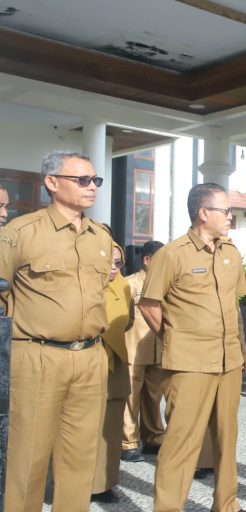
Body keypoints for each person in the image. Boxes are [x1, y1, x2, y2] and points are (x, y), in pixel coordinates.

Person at [0, 151, 112, 511]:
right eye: (83, 180)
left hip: (91, 358)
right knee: (28, 459)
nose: (92, 187)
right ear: (52, 182)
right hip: (38, 357)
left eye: (96, 180)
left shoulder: (100, 237)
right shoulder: (19, 233)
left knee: (80, 460)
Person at [138, 183, 246, 512]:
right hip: (190, 363)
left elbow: (234, 306)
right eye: (225, 211)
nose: (230, 217)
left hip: (228, 361)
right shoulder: (172, 254)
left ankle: (226, 505)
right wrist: (175, 340)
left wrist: (241, 353)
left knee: (226, 439)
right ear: (203, 213)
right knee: (181, 442)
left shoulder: (231, 253)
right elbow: (148, 305)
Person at [92, 242, 133, 503]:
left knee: (111, 426)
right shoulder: (84, 282)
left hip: (115, 360)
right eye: (109, 263)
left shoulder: (123, 287)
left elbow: (127, 321)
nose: (114, 269)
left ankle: (105, 483)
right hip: (88, 357)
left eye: (119, 263)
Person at [122, 240, 168, 462]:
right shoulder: (129, 284)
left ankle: (153, 438)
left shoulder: (166, 285)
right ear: (147, 260)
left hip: (158, 350)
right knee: (131, 396)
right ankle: (128, 441)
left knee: (154, 396)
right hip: (133, 349)